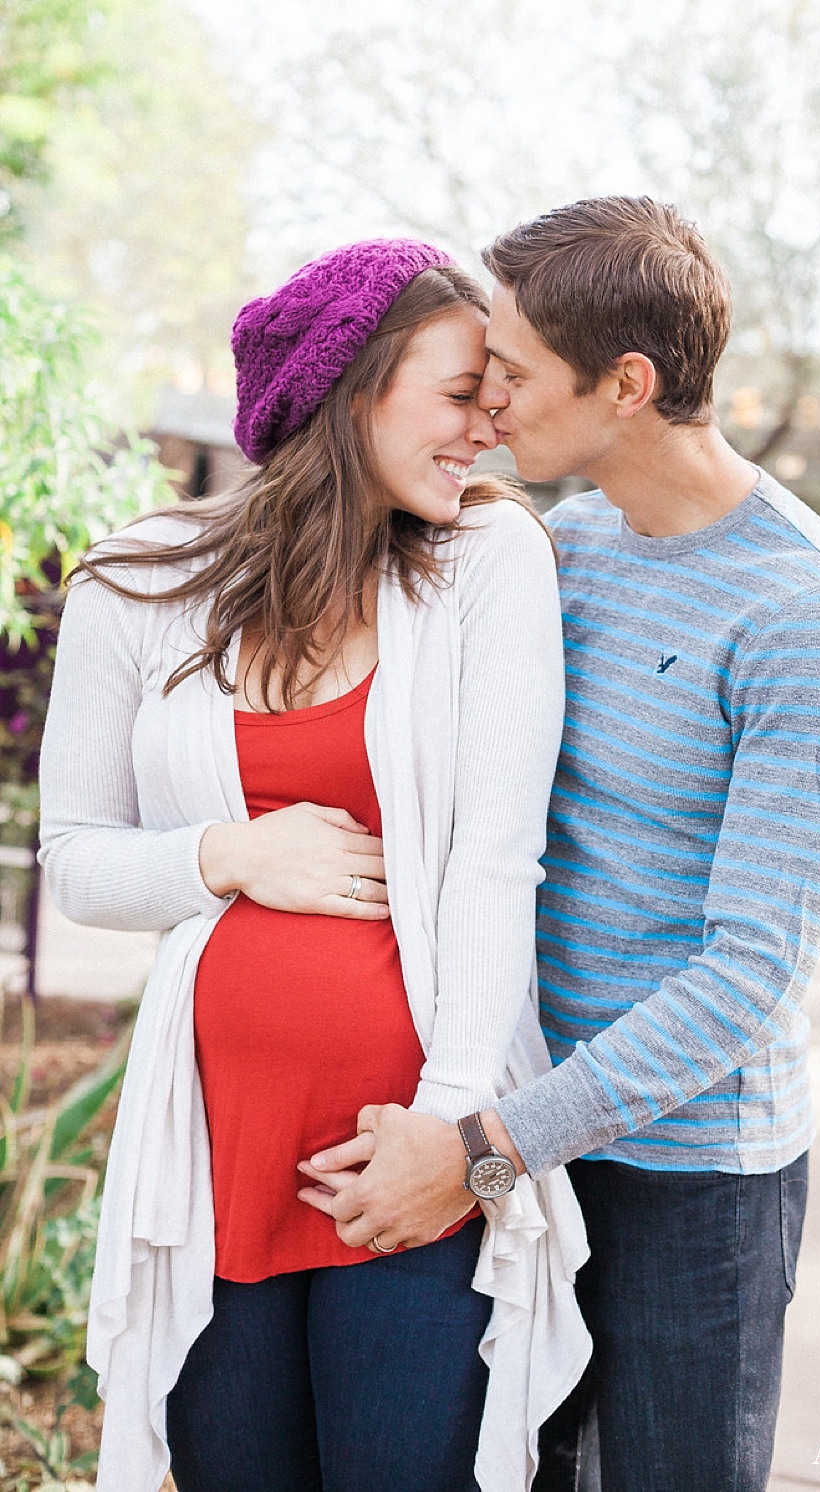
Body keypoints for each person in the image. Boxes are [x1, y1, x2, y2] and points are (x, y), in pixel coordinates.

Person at [304, 198, 820, 1492]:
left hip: (689, 1188)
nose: (489, 400)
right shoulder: (559, 546)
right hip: (526, 1137)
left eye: (511, 373)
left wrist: (481, 1148)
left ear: (625, 385)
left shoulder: (807, 619)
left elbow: (744, 982)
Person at [38, 239, 590, 1492]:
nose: (486, 433)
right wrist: (229, 854)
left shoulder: (485, 565)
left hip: (401, 1162)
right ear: (352, 386)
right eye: (461, 394)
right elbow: (76, 862)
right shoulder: (141, 582)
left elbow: (497, 864)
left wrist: (448, 1133)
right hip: (216, 1160)